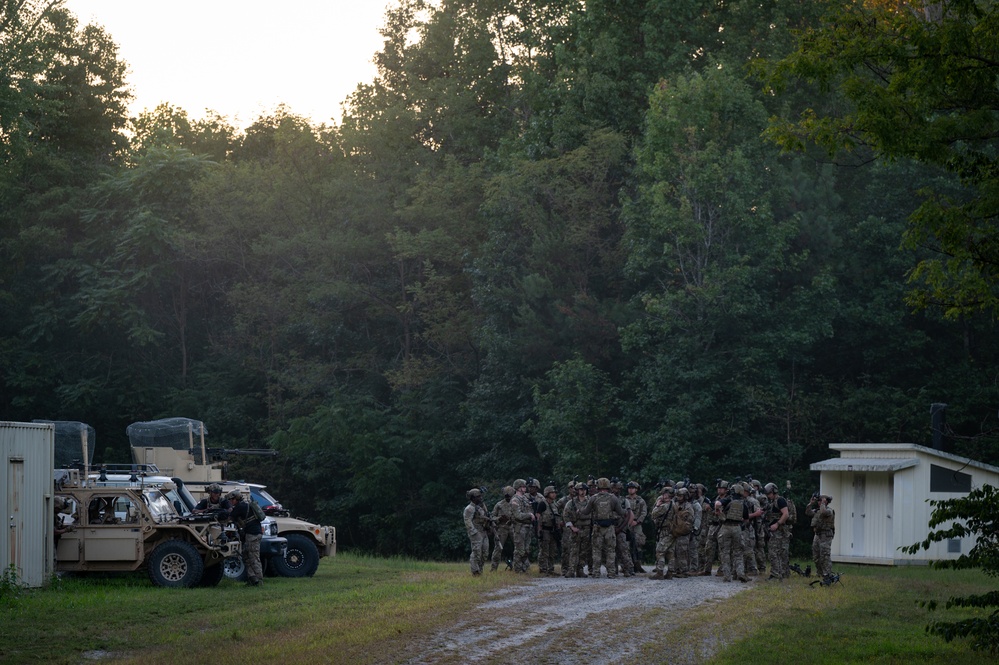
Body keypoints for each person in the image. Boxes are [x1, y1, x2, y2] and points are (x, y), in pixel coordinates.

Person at [580, 477, 625, 578]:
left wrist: (579, 510)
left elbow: (586, 511)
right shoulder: (613, 498)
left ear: (598, 486)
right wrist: (627, 511)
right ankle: (611, 572)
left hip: (597, 527)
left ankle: (596, 572)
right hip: (610, 527)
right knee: (610, 550)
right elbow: (621, 512)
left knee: (596, 550)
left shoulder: (593, 498)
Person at [228, 489, 263, 586]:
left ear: (236, 499)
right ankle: (253, 579)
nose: (231, 502)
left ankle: (259, 581)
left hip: (252, 535)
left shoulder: (240, 507)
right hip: (253, 534)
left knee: (254, 558)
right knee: (246, 556)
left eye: (232, 499)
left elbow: (230, 518)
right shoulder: (245, 505)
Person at [716, 482, 748, 583]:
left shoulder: (728, 499)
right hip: (737, 528)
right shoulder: (743, 503)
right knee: (738, 552)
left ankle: (727, 576)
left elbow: (717, 503)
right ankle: (740, 573)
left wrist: (718, 511)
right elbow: (746, 519)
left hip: (726, 527)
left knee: (725, 552)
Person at [561, 482, 592, 578]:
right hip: (576, 528)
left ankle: (580, 569)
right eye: (581, 490)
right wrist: (571, 527)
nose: (583, 492)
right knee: (574, 550)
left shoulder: (590, 501)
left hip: (586, 528)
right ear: (577, 491)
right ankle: (571, 570)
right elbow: (566, 515)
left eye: (584, 490)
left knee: (583, 551)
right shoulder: (571, 503)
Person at [763, 482, 791, 581]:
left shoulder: (780, 500)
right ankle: (782, 573)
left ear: (774, 491)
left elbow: (786, 514)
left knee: (774, 552)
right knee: (778, 552)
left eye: (769, 493)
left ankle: (776, 574)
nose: (768, 496)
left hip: (780, 531)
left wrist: (777, 524)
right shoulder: (772, 502)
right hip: (775, 531)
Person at [806, 493, 836, 579]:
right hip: (817, 535)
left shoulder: (829, 510)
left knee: (825, 555)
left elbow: (823, 512)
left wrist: (823, 503)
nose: (819, 502)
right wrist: (811, 503)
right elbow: (808, 512)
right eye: (818, 501)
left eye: (820, 501)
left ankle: (827, 574)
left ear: (826, 502)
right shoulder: (817, 510)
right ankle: (820, 573)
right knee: (816, 556)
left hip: (826, 535)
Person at [463, 488, 491, 575]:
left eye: (480, 496)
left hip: (483, 531)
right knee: (476, 552)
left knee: (485, 552)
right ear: (473, 498)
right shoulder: (469, 509)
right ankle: (475, 571)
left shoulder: (480, 507)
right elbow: (467, 521)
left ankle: (480, 569)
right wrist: (474, 532)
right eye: (478, 496)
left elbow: (484, 518)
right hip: (476, 532)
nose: (480, 498)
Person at [510, 479, 535, 573]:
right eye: (523, 487)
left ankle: (524, 568)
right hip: (520, 527)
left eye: (525, 486)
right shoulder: (515, 500)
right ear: (518, 488)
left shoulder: (525, 498)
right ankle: (518, 569)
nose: (525, 488)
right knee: (519, 550)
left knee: (526, 549)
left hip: (527, 526)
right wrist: (529, 515)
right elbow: (518, 515)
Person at [490, 486, 516, 571]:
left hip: (513, 527)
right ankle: (493, 568)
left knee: (519, 547)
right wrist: (499, 518)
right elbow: (492, 517)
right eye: (506, 496)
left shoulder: (516, 503)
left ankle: (521, 567)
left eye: (509, 496)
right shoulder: (499, 505)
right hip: (502, 528)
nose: (508, 498)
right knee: (498, 548)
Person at [537, 485, 560, 576]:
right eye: (552, 493)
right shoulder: (542, 504)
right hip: (545, 529)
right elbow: (538, 516)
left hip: (553, 530)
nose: (554, 494)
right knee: (544, 551)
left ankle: (550, 569)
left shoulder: (554, 504)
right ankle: (543, 569)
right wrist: (539, 530)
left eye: (555, 493)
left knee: (552, 551)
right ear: (547, 493)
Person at [626, 481, 648, 572]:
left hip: (637, 524)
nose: (631, 490)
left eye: (632, 488)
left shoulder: (641, 500)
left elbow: (644, 513)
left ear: (636, 489)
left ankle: (638, 565)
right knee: (626, 545)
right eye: (629, 488)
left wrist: (637, 521)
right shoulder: (624, 500)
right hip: (626, 524)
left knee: (638, 543)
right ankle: (627, 565)